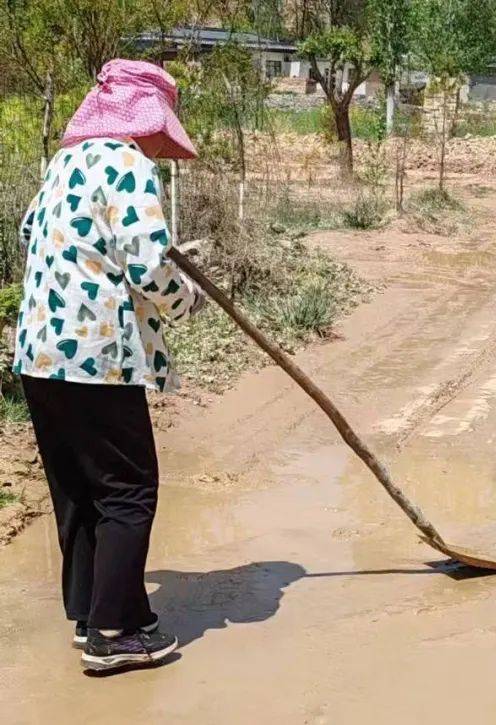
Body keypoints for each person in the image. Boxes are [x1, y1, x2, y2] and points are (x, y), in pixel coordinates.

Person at [12, 59, 204, 671]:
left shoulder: (63, 164)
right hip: (96, 354)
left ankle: (92, 611)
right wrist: (185, 295)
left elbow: (30, 233)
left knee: (78, 487)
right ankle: (114, 634)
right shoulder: (127, 165)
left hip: (40, 351)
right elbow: (148, 265)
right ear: (143, 120)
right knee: (128, 488)